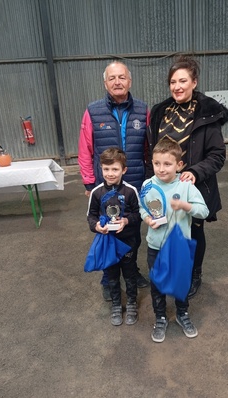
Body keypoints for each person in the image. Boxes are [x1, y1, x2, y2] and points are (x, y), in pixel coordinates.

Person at [147, 55, 228, 299]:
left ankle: (195, 273)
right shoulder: (161, 111)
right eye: (173, 81)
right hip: (163, 184)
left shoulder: (207, 114)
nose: (177, 86)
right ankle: (172, 268)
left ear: (194, 82)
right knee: (164, 226)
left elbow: (217, 155)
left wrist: (194, 171)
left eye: (183, 80)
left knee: (193, 231)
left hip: (194, 186)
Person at [78, 61, 149, 300]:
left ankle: (132, 269)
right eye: (112, 78)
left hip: (136, 183)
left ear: (129, 81)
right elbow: (85, 149)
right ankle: (109, 278)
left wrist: (150, 181)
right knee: (107, 231)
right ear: (105, 83)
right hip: (106, 186)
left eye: (122, 77)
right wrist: (90, 183)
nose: (117, 82)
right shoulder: (93, 111)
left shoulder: (143, 110)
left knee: (132, 230)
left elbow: (149, 148)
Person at [140, 136, 209, 342]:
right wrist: (147, 220)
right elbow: (143, 208)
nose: (161, 169)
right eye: (157, 163)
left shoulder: (186, 186)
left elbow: (204, 211)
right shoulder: (147, 184)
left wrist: (186, 206)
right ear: (151, 163)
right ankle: (160, 317)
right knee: (157, 283)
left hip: (179, 247)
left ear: (179, 165)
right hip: (156, 246)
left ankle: (182, 313)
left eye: (167, 164)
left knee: (181, 282)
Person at [87, 148, 140, 326]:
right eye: (106, 169)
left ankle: (131, 303)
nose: (110, 174)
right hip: (108, 243)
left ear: (124, 170)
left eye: (115, 169)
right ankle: (117, 304)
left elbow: (138, 214)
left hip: (128, 243)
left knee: (130, 273)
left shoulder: (131, 191)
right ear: (101, 169)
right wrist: (96, 226)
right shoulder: (96, 193)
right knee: (111, 274)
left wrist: (126, 220)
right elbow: (91, 216)